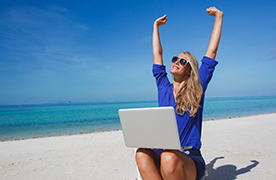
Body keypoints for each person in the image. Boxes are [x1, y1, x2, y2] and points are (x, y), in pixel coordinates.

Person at [135, 7, 224, 180]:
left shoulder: (198, 87)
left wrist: (219, 17)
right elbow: (157, 53)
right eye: (174, 59)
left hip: (188, 156)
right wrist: (155, 26)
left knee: (169, 156)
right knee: (141, 153)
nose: (176, 62)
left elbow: (212, 52)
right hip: (163, 152)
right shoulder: (163, 87)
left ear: (190, 70)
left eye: (182, 61)